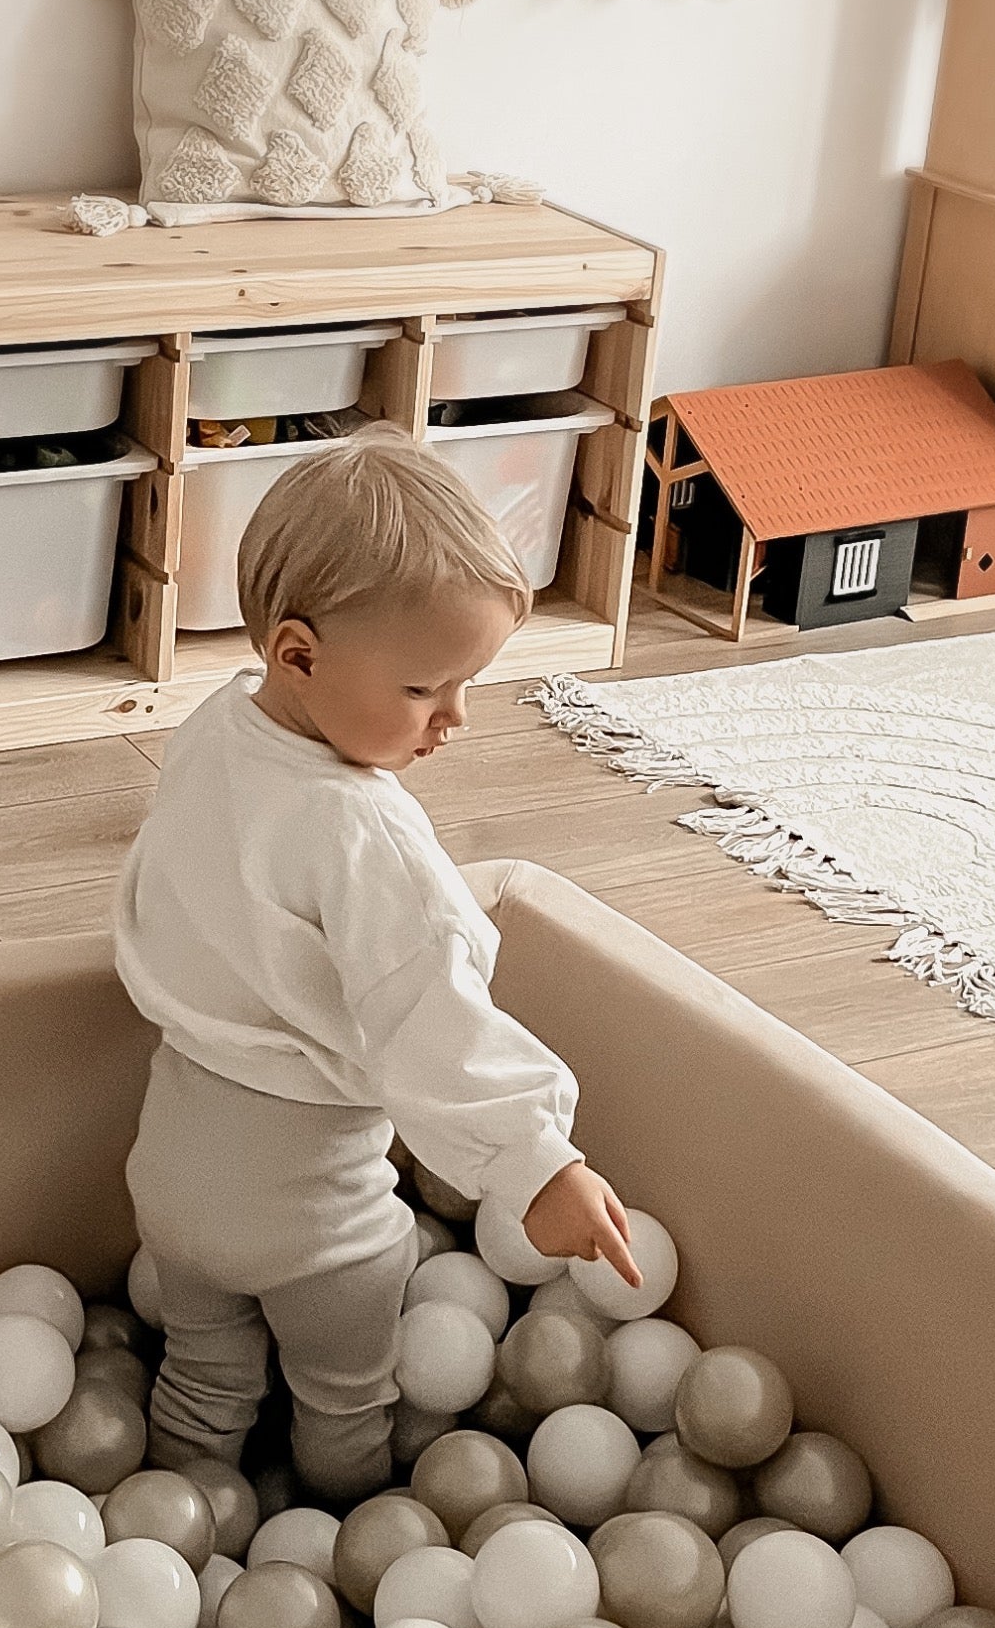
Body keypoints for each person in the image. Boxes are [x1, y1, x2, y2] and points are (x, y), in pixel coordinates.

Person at [113, 430, 641, 1500]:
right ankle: (342, 1529)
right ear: (300, 654)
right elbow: (433, 1021)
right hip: (313, 1217)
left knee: (203, 1379)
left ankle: (171, 1515)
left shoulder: (211, 733)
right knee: (346, 1397)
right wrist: (537, 1163)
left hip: (170, 1173)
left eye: (465, 684)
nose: (455, 718)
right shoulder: (368, 836)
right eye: (424, 687)